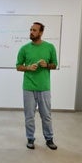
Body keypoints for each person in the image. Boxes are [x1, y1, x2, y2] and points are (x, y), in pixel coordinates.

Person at [16, 22, 58, 150]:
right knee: (29, 116)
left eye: (34, 30)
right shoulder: (24, 48)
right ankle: (30, 139)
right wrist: (28, 67)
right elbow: (18, 66)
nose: (31, 32)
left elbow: (54, 64)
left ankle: (49, 139)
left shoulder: (50, 47)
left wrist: (47, 65)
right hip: (28, 87)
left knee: (46, 115)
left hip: (44, 87)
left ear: (40, 32)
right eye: (30, 30)